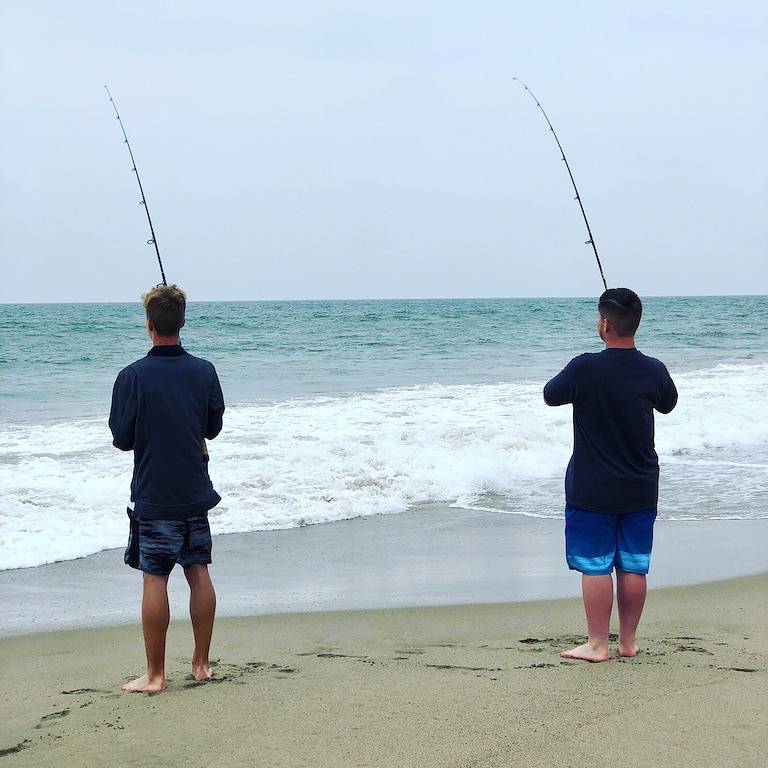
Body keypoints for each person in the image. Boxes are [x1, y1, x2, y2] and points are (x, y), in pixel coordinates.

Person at [543, 288, 677, 662]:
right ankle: (628, 642)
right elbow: (668, 403)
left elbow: (550, 394)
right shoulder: (652, 369)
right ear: (636, 324)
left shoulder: (585, 367)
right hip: (640, 484)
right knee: (634, 564)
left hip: (592, 487)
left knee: (596, 565)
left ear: (604, 324)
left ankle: (598, 644)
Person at [109, 284, 225, 692]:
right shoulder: (204, 371)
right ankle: (200, 665)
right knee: (198, 572)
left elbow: (121, 438)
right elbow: (212, 426)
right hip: (195, 491)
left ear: (149, 325)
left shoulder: (132, 376)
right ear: (181, 322)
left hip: (154, 495)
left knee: (154, 578)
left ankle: (156, 675)